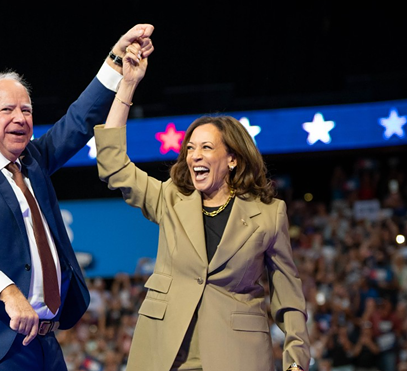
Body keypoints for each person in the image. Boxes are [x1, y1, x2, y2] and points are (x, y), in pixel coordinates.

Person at [0, 24, 154, 371]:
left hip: (45, 343)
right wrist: (8, 292)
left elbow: (78, 120)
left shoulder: (33, 162)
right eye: (7, 110)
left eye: (26, 110)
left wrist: (117, 61)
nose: (20, 118)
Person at [93, 47, 310, 369]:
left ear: (233, 159)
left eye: (207, 147)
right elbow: (113, 164)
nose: (194, 155)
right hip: (165, 351)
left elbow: (287, 291)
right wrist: (127, 86)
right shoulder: (170, 198)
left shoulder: (268, 214)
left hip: (236, 353)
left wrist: (296, 359)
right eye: (190, 148)